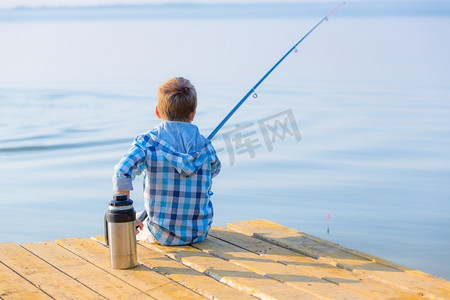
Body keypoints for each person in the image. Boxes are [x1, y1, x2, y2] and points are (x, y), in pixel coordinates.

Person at [113, 77, 221, 245]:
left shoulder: (148, 144)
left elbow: (122, 171)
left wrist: (126, 214)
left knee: (129, 220)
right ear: (193, 113)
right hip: (199, 232)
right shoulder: (205, 146)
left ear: (157, 112)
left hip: (161, 235)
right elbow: (214, 170)